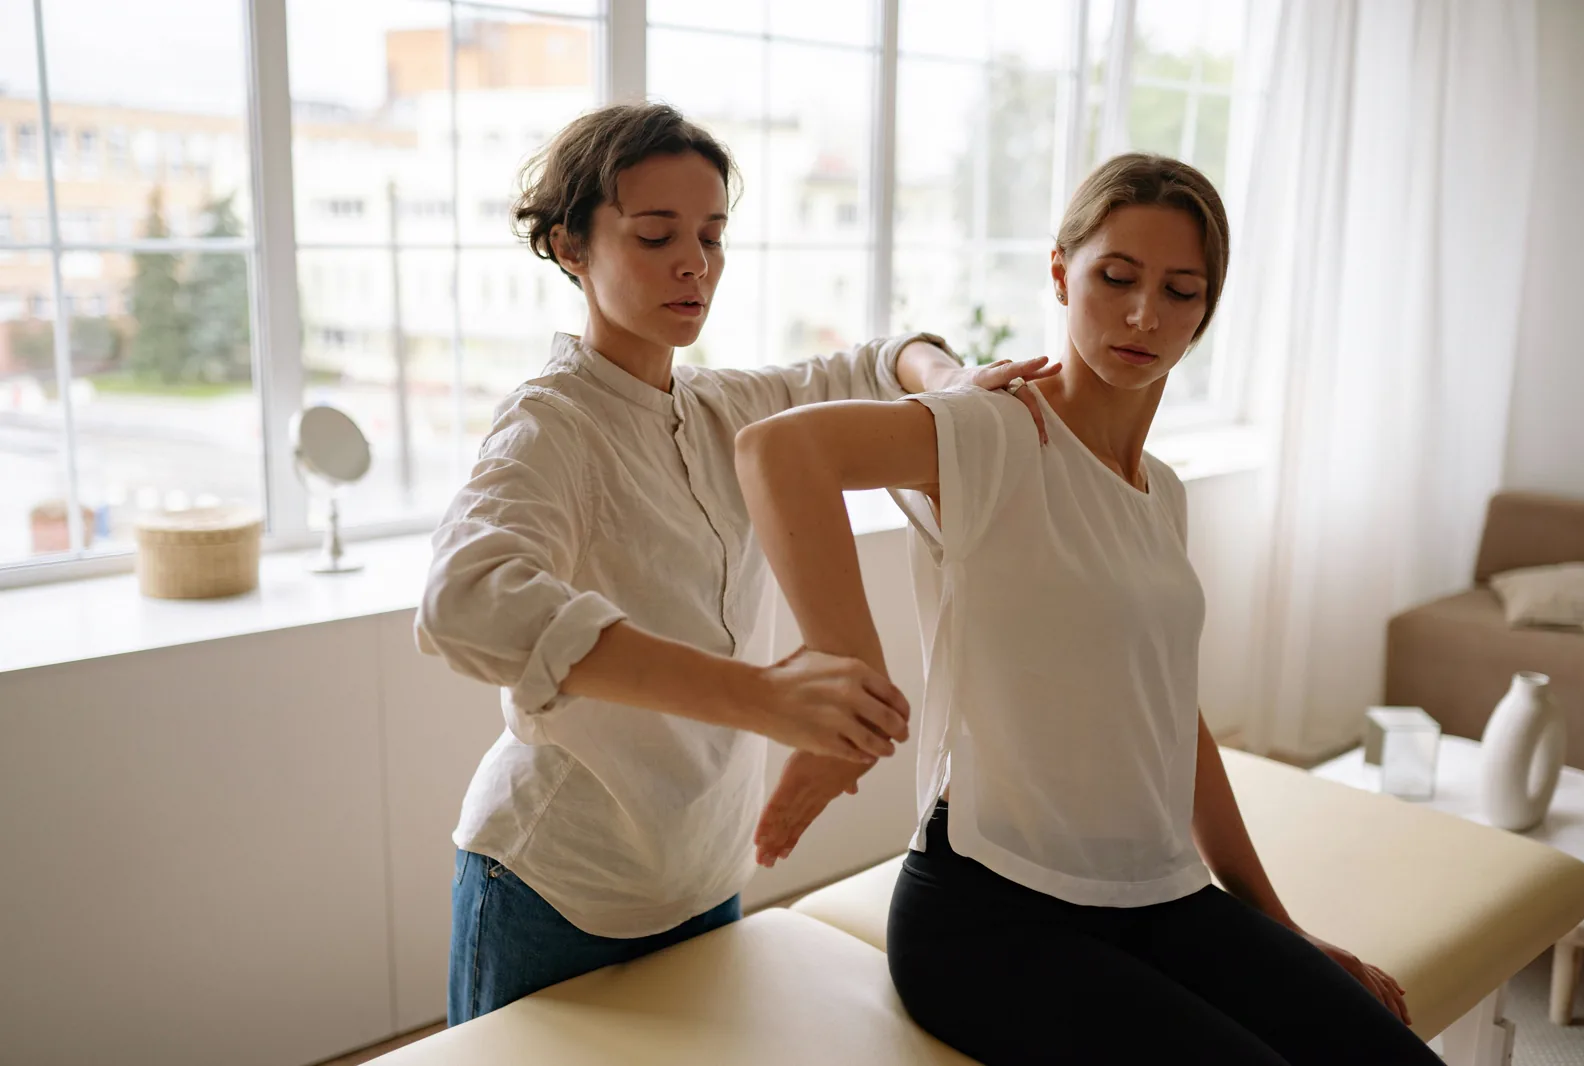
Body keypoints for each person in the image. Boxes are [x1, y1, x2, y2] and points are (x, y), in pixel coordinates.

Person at [732, 153, 1442, 1064]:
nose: (1146, 314)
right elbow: (774, 454)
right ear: (1061, 273)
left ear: (1204, 312)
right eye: (1116, 278)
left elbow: (1170, 722)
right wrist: (849, 694)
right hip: (988, 918)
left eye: (1181, 292)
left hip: (1158, 895)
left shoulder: (1162, 494)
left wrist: (1282, 930)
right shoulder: (997, 431)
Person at [414, 101, 1053, 1025]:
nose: (694, 263)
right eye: (655, 234)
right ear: (571, 247)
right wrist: (763, 698)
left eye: (712, 235)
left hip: (704, 874)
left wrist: (951, 386)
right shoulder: (549, 426)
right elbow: (463, 601)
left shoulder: (725, 409)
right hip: (552, 887)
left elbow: (878, 361)